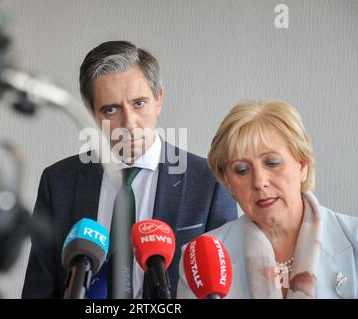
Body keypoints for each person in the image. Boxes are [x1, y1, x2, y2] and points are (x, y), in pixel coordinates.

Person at [22, 41, 237, 299]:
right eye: (111, 109)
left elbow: (227, 287)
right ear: (91, 113)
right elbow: (39, 291)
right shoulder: (58, 182)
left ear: (159, 100)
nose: (129, 123)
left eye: (139, 103)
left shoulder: (209, 180)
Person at [177, 100, 358, 299]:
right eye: (242, 170)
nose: (259, 182)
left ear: (302, 165)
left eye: (272, 163)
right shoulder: (201, 258)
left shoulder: (353, 238)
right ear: (227, 181)